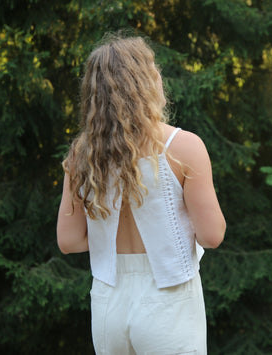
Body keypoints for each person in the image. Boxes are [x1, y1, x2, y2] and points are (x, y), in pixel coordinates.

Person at [56, 35, 226, 355]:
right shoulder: (183, 147)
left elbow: (69, 241)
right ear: (147, 82)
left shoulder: (83, 154)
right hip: (169, 300)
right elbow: (212, 235)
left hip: (109, 303)